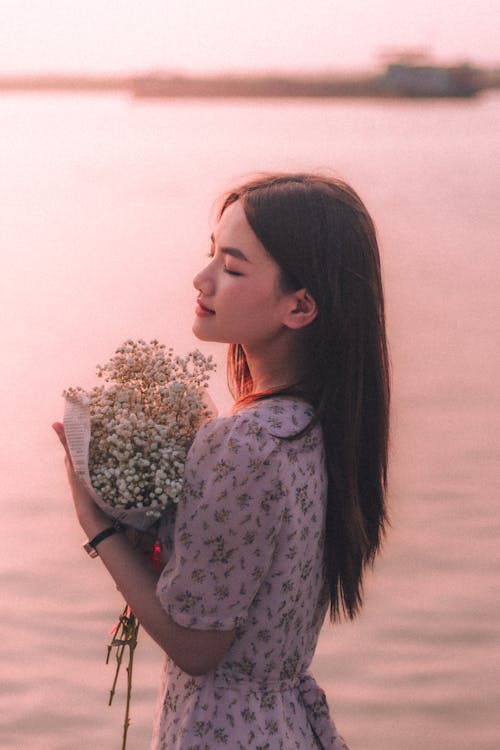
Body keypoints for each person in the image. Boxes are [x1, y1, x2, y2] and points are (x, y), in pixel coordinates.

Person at [53, 172, 390, 749]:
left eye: (232, 268)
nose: (202, 278)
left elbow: (197, 647)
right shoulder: (312, 427)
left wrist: (99, 525)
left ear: (301, 306)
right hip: (287, 726)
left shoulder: (241, 443)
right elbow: (234, 595)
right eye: (212, 255)